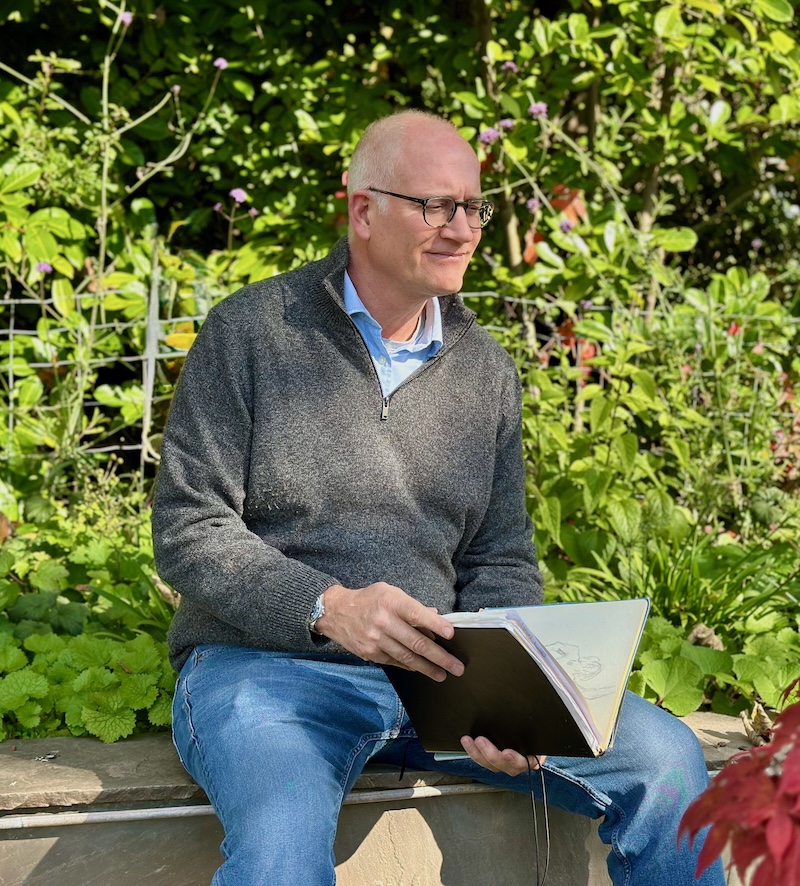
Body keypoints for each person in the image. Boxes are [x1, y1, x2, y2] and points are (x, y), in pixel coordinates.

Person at [152, 109, 725, 886]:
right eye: (435, 206)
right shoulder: (250, 334)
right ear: (362, 210)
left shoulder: (485, 370)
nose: (462, 229)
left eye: (473, 207)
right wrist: (328, 606)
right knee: (279, 850)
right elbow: (190, 528)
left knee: (667, 761)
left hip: (442, 679)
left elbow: (499, 555)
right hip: (269, 671)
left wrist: (507, 694)